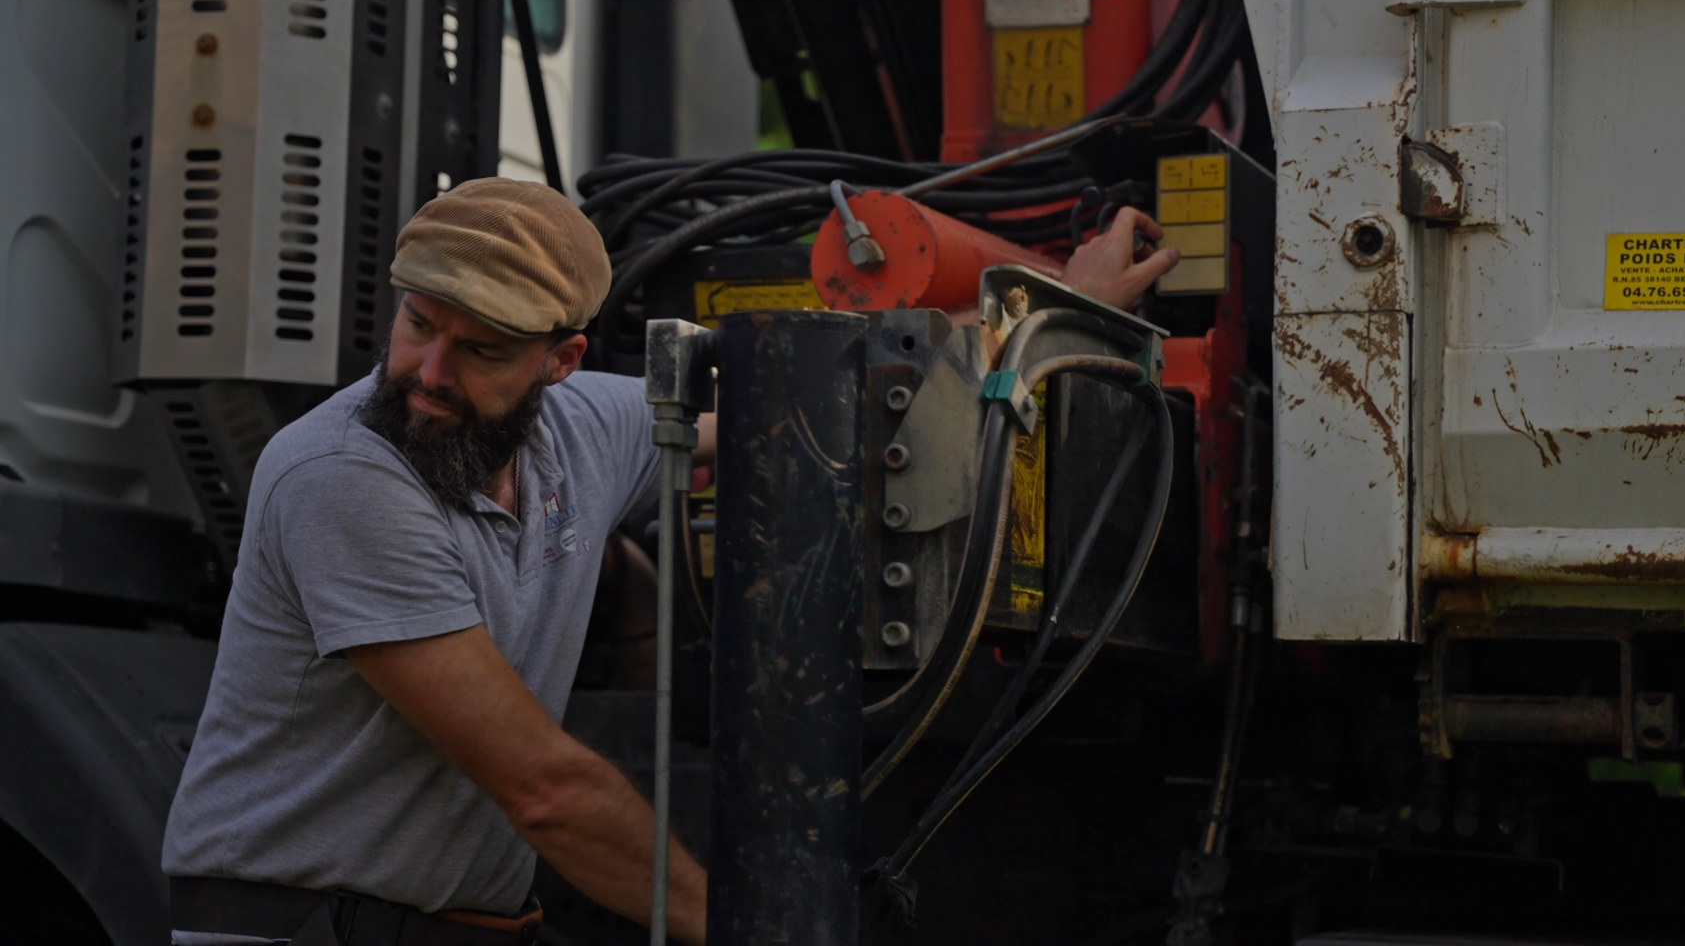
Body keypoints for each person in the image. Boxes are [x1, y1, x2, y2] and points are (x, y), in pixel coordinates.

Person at [161, 178, 1179, 946]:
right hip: (289, 928)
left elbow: (825, 388)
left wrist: (1048, 301)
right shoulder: (343, 478)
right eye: (418, 326)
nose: (427, 374)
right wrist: (747, 927)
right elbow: (545, 789)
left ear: (561, 360)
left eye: (481, 352)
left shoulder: (581, 429)